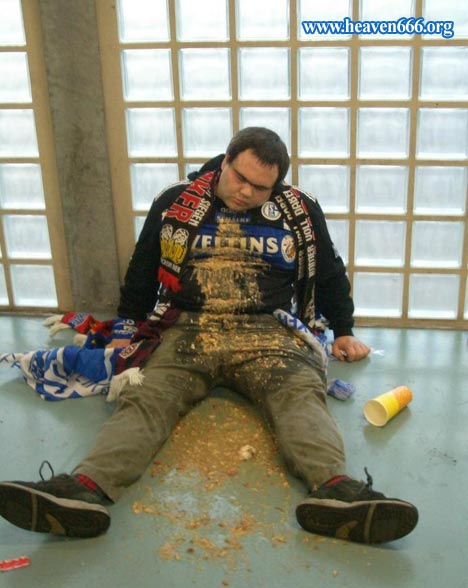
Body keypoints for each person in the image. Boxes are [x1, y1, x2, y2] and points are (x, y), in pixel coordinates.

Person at [0, 127, 418, 544]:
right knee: (147, 396)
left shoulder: (299, 210)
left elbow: (328, 271)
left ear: (276, 186)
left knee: (299, 394)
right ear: (225, 161)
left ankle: (336, 491)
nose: (246, 192)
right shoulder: (175, 202)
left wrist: (343, 330)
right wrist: (125, 328)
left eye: (260, 188)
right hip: (188, 326)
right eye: (240, 177)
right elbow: (143, 269)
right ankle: (84, 490)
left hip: (268, 330)